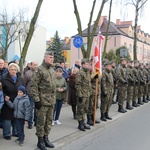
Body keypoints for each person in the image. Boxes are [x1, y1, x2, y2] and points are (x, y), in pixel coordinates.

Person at [31, 51, 56, 150]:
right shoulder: (39, 70)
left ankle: (46, 138)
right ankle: (40, 141)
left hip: (51, 101)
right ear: (45, 58)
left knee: (49, 121)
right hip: (42, 101)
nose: (52, 59)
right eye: (50, 57)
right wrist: (36, 100)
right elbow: (34, 85)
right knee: (41, 121)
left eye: (53, 58)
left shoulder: (52, 70)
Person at [1, 63, 23, 140]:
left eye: (15, 70)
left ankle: (15, 132)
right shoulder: (4, 78)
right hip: (7, 100)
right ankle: (7, 133)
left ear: (17, 71)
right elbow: (1, 90)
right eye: (11, 69)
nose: (13, 71)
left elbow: (23, 88)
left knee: (16, 116)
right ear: (8, 70)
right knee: (7, 118)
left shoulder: (20, 78)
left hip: (17, 100)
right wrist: (4, 96)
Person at [75, 58, 91, 131]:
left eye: (88, 64)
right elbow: (78, 85)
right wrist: (80, 95)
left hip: (87, 94)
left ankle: (83, 122)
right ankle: (80, 123)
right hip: (82, 94)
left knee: (85, 109)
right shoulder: (80, 73)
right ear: (83, 65)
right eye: (86, 64)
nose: (88, 65)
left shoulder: (87, 72)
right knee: (80, 109)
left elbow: (88, 84)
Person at [24, 61, 38, 129]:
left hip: (37, 93)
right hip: (30, 94)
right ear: (31, 65)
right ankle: (30, 123)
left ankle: (36, 121)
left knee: (37, 108)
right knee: (30, 108)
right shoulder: (27, 73)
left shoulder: (39, 72)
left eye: (36, 65)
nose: (35, 66)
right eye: (34, 65)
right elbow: (24, 83)